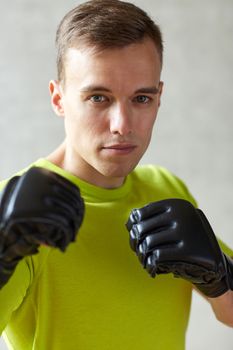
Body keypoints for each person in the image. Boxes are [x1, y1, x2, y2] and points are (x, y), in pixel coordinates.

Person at [0, 0, 232, 349]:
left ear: (159, 98)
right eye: (98, 97)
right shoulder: (18, 208)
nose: (122, 126)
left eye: (141, 98)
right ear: (59, 99)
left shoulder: (166, 189)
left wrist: (221, 274)